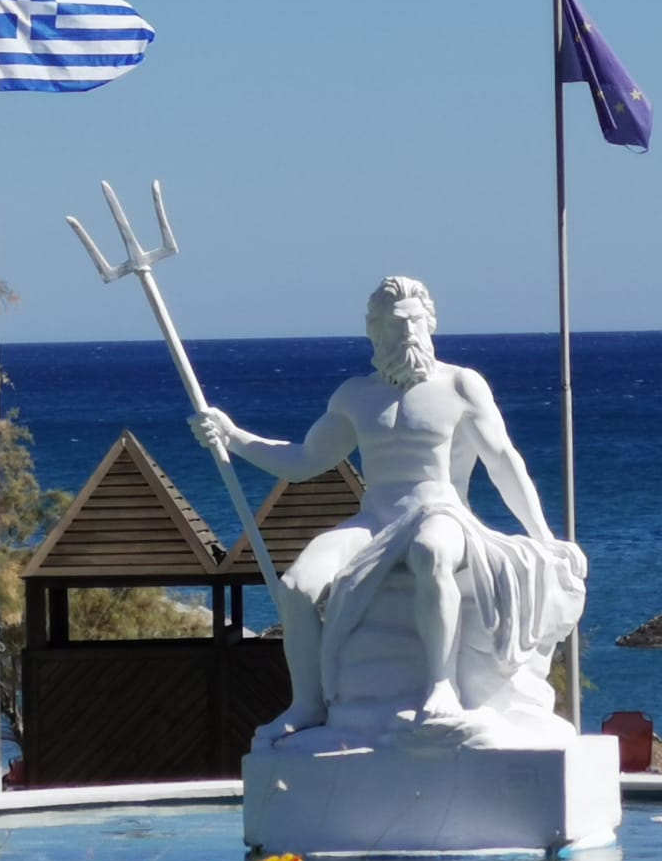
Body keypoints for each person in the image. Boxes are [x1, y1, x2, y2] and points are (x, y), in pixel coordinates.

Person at [191, 276, 587, 751]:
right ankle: (308, 704)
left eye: (415, 321)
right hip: (375, 519)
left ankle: (441, 686)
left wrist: (541, 533)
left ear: (430, 322)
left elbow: (503, 461)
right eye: (396, 323)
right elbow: (303, 461)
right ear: (374, 330)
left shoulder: (461, 385)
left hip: (442, 511)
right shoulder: (355, 396)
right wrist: (233, 437)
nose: (408, 332)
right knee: (297, 586)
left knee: (431, 552)